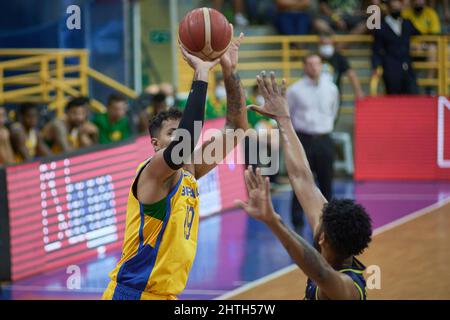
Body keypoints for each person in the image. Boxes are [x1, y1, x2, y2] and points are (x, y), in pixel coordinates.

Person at [102, 33, 248, 300]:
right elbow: (185, 142)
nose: (180, 137)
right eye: (173, 132)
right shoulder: (153, 171)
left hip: (166, 295)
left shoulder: (189, 169)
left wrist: (229, 71)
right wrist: (201, 73)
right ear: (156, 143)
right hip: (134, 293)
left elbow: (237, 129)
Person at [239, 72, 372, 300]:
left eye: (320, 224)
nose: (317, 221)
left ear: (323, 239)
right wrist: (283, 120)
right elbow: (302, 178)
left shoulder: (347, 288)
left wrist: (274, 222)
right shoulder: (338, 249)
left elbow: (319, 273)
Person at [286, 54, 339, 235]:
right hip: (304, 140)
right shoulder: (295, 90)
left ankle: (329, 220)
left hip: (324, 139)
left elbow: (334, 111)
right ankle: (297, 221)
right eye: (310, 63)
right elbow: (289, 115)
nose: (314, 67)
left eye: (317, 63)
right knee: (301, 180)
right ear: (304, 66)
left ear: (321, 65)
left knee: (327, 181)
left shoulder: (331, 88)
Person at [371, 0, 421, 95]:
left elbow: (421, 35)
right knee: (394, 102)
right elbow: (376, 50)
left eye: (399, 4)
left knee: (413, 99)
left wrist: (420, 44)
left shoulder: (407, 23)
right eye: (394, 5)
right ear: (388, 7)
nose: (396, 7)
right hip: (390, 70)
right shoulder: (381, 26)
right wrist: (376, 66)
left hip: (408, 69)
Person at [318, 33, 365, 100]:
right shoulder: (314, 58)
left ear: (333, 44)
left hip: (333, 95)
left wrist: (358, 92)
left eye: (328, 44)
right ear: (319, 45)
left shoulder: (338, 57)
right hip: (317, 94)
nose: (326, 47)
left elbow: (351, 74)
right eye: (323, 44)